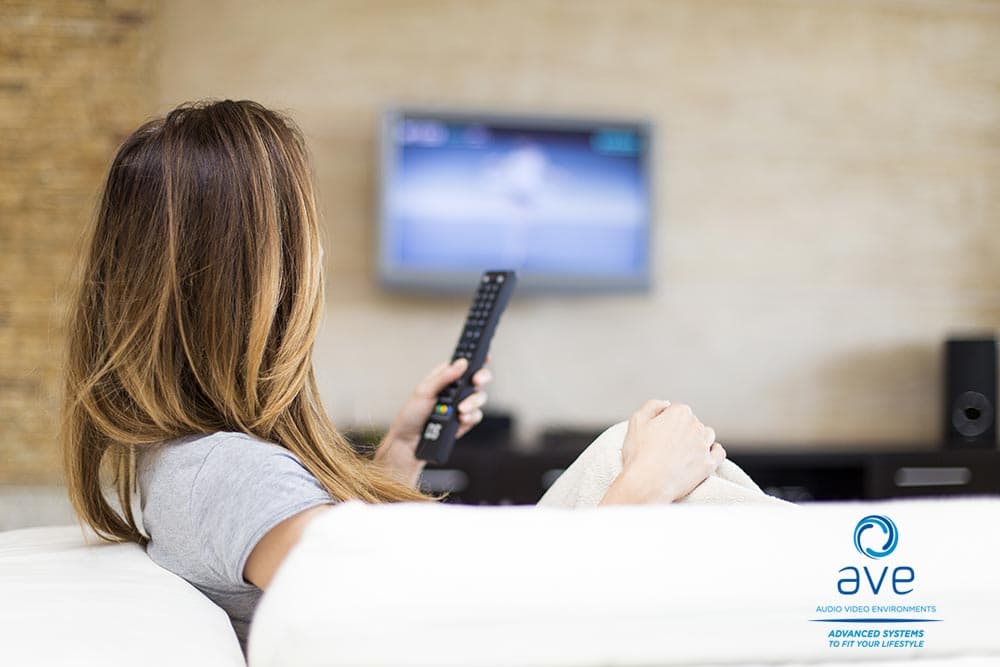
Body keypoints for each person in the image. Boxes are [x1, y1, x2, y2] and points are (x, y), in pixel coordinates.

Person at [63, 100, 727, 650]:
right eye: (304, 232)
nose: (318, 253)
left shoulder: (187, 460)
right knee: (663, 464)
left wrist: (401, 451)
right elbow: (458, 631)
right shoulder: (228, 474)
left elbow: (352, 571)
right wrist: (644, 486)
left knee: (640, 449)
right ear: (262, 274)